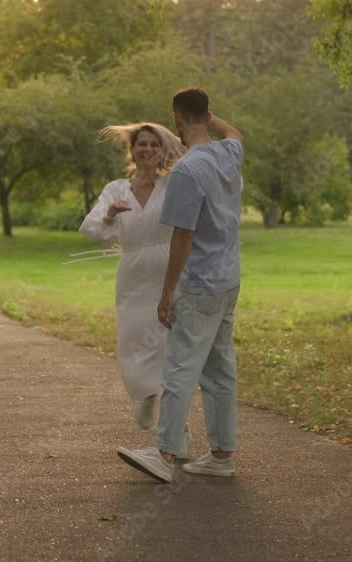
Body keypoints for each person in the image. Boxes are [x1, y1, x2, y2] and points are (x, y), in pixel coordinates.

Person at [117, 87, 244, 483]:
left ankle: (165, 453)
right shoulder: (228, 153)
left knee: (178, 368)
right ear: (207, 116)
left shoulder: (187, 171)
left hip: (200, 282)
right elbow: (235, 133)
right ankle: (222, 456)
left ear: (176, 118)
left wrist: (167, 291)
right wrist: (208, 113)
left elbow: (183, 236)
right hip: (228, 280)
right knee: (220, 369)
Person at [78, 123, 189, 437]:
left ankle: (177, 429)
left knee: (171, 347)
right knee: (133, 339)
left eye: (155, 144)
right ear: (133, 150)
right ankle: (144, 393)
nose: (148, 150)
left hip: (171, 270)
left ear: (161, 149)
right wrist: (111, 215)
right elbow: (92, 229)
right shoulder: (116, 189)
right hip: (133, 272)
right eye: (142, 144)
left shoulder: (172, 186)